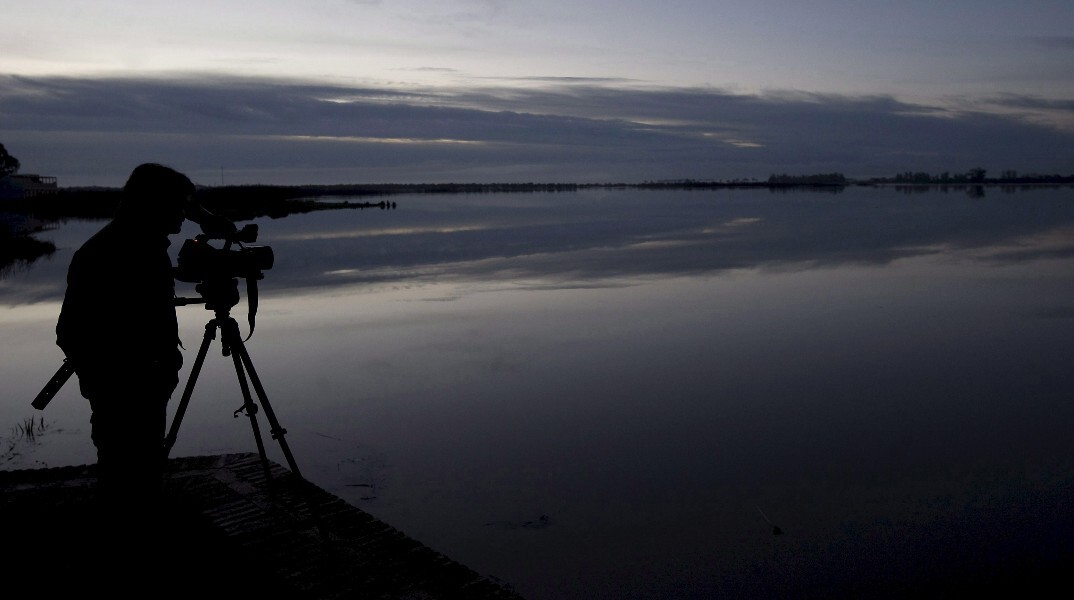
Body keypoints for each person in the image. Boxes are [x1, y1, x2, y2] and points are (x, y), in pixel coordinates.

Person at [56, 163, 233, 516]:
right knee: (126, 479)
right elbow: (72, 330)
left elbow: (138, 297)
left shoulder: (138, 244)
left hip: (141, 386)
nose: (185, 214)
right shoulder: (119, 250)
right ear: (155, 204)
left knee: (137, 475)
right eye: (179, 205)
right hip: (127, 391)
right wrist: (132, 372)